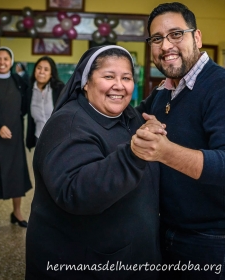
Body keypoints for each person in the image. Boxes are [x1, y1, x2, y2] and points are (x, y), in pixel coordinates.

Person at [132, 2, 225, 280]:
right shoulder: (165, 90)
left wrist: (165, 152)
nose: (166, 46)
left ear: (196, 37)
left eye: (176, 34)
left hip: (212, 235)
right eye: (157, 38)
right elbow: (134, 120)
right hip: (169, 226)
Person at [25, 46, 162, 280]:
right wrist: (134, 153)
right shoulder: (67, 125)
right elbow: (76, 191)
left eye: (126, 78)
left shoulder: (129, 117)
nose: (119, 85)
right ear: (85, 83)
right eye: (109, 76)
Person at [0, 47, 32, 233]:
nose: (2, 62)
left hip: (15, 136)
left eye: (6, 59)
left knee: (16, 174)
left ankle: (17, 212)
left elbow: (25, 107)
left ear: (11, 62)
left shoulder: (20, 82)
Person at [26, 56, 65, 150]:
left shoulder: (60, 89)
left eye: (46, 69)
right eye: (39, 68)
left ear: (51, 73)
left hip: (58, 139)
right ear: (35, 70)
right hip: (38, 138)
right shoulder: (29, 91)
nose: (41, 72)